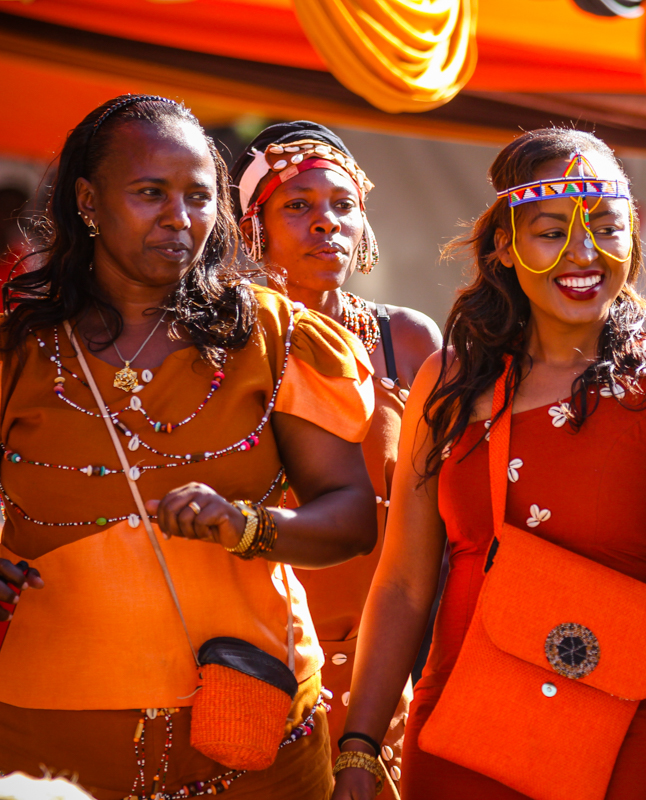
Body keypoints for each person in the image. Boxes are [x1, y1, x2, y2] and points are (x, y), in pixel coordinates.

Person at [330, 128, 646, 800]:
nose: (585, 254)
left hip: (636, 728)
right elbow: (403, 582)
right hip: (467, 728)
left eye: (606, 227)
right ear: (504, 245)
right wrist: (362, 746)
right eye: (553, 232)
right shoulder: (450, 381)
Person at [0, 95, 378, 799]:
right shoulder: (19, 348)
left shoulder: (274, 335)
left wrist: (248, 528)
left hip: (256, 734)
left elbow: (353, 515)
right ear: (87, 200)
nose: (181, 218)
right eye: (151, 193)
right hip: (48, 745)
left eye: (200, 197)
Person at [230, 121, 442, 793]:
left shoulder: (402, 341)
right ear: (250, 230)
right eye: (298, 205)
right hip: (249, 668)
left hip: (379, 681)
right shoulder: (220, 345)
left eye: (342, 206)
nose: (326, 223)